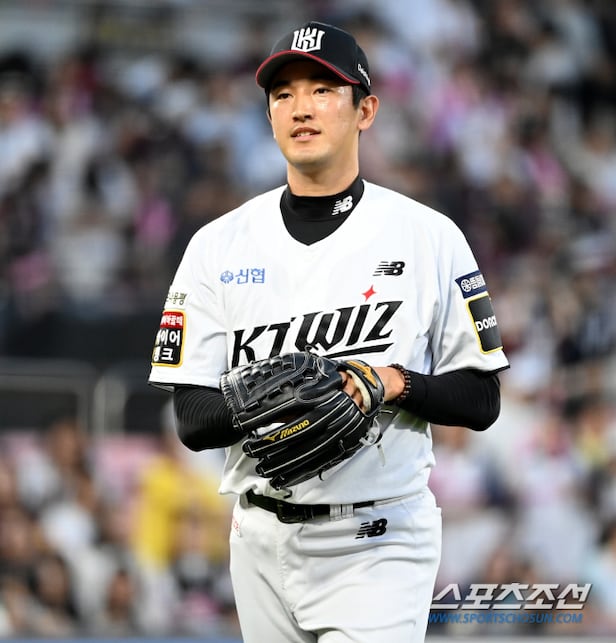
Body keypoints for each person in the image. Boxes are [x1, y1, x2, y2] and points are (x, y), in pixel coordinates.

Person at [149, 20, 509, 643]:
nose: (301, 108)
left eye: (323, 90)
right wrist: (284, 401)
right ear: (269, 115)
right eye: (283, 94)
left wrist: (393, 383)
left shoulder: (429, 236)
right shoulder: (216, 245)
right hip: (259, 539)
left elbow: (481, 399)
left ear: (365, 110)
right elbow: (192, 418)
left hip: (379, 538)